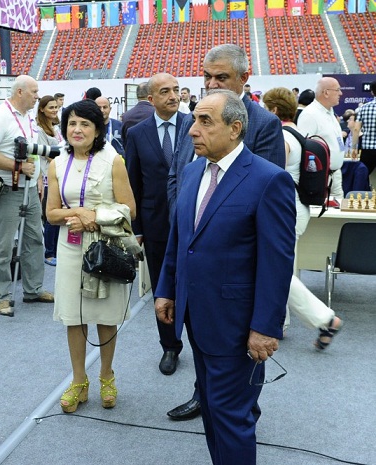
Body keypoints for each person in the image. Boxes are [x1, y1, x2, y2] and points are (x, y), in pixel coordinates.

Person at [155, 90, 296, 465]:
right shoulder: (191, 171)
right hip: (194, 317)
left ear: (235, 129)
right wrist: (167, 289)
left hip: (238, 326)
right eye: (194, 120)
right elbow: (179, 239)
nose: (192, 131)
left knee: (232, 417)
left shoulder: (269, 180)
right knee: (215, 412)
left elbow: (277, 262)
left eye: (205, 122)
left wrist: (265, 327)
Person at [167, 43, 286, 421]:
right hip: (195, 269)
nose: (211, 82)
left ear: (243, 78)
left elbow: (267, 226)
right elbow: (179, 175)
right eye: (207, 76)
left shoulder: (262, 124)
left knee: (234, 410)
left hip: (234, 281)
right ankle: (207, 397)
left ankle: (238, 405)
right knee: (212, 378)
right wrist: (188, 218)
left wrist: (265, 323)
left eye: (221, 77)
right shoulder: (196, 120)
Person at [46, 99, 136, 413]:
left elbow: (130, 209)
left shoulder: (113, 160)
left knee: (106, 317)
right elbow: (51, 213)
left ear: (97, 129)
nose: (77, 129)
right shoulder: (57, 162)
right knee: (74, 317)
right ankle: (78, 380)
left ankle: (107, 376)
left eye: (85, 124)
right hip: (70, 248)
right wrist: (78, 212)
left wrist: (94, 216)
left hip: (106, 248)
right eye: (72, 123)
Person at [263, 87, 344, 350]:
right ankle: (281, 322)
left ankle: (325, 319)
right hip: (295, 209)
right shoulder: (295, 132)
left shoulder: (282, 138)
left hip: (286, 210)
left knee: (278, 270)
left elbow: (272, 177)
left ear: (274, 110)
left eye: (266, 108)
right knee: (284, 267)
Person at [125, 73, 188, 376]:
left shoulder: (195, 125)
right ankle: (170, 347)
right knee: (163, 288)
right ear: (151, 99)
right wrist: (136, 227)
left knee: (196, 286)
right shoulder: (137, 133)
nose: (173, 96)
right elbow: (133, 181)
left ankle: (203, 343)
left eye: (176, 90)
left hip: (194, 220)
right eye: (165, 91)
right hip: (155, 224)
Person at [0, 75, 54, 317]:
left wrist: (39, 177)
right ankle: (2, 296)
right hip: (8, 189)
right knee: (2, 245)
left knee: (34, 240)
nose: (37, 96)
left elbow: (31, 153)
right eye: (34, 91)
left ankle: (33, 289)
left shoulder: (28, 116)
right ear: (19, 92)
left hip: (30, 188)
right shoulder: (0, 116)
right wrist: (16, 167)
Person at [297, 77, 346, 200]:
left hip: (334, 174)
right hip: (320, 177)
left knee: (338, 216)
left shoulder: (330, 112)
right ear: (326, 92)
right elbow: (303, 149)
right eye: (338, 90)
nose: (341, 93)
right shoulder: (310, 115)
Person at [36, 95, 64, 266]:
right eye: (51, 107)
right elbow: (45, 154)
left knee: (58, 215)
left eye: (56, 107)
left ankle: (55, 249)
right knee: (51, 217)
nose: (54, 110)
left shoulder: (55, 127)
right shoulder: (40, 130)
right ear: (42, 109)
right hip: (48, 176)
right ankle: (49, 253)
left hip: (58, 174)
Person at [354, 79, 376, 180]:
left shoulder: (363, 108)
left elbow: (356, 129)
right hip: (368, 148)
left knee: (364, 177)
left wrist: (354, 148)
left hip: (368, 149)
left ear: (372, 92)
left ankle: (365, 194)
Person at [121, 81, 155, 146]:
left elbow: (124, 140)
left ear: (136, 95)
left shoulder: (126, 115)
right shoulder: (157, 113)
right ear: (150, 94)